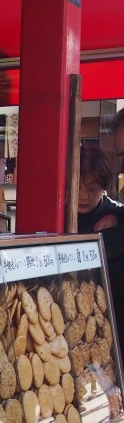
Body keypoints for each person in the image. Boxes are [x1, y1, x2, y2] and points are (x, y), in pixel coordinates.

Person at [77, 145, 124, 358]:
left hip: (108, 317)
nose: (83, 195)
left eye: (92, 189)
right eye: (77, 185)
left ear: (104, 188)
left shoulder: (114, 219)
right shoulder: (56, 211)